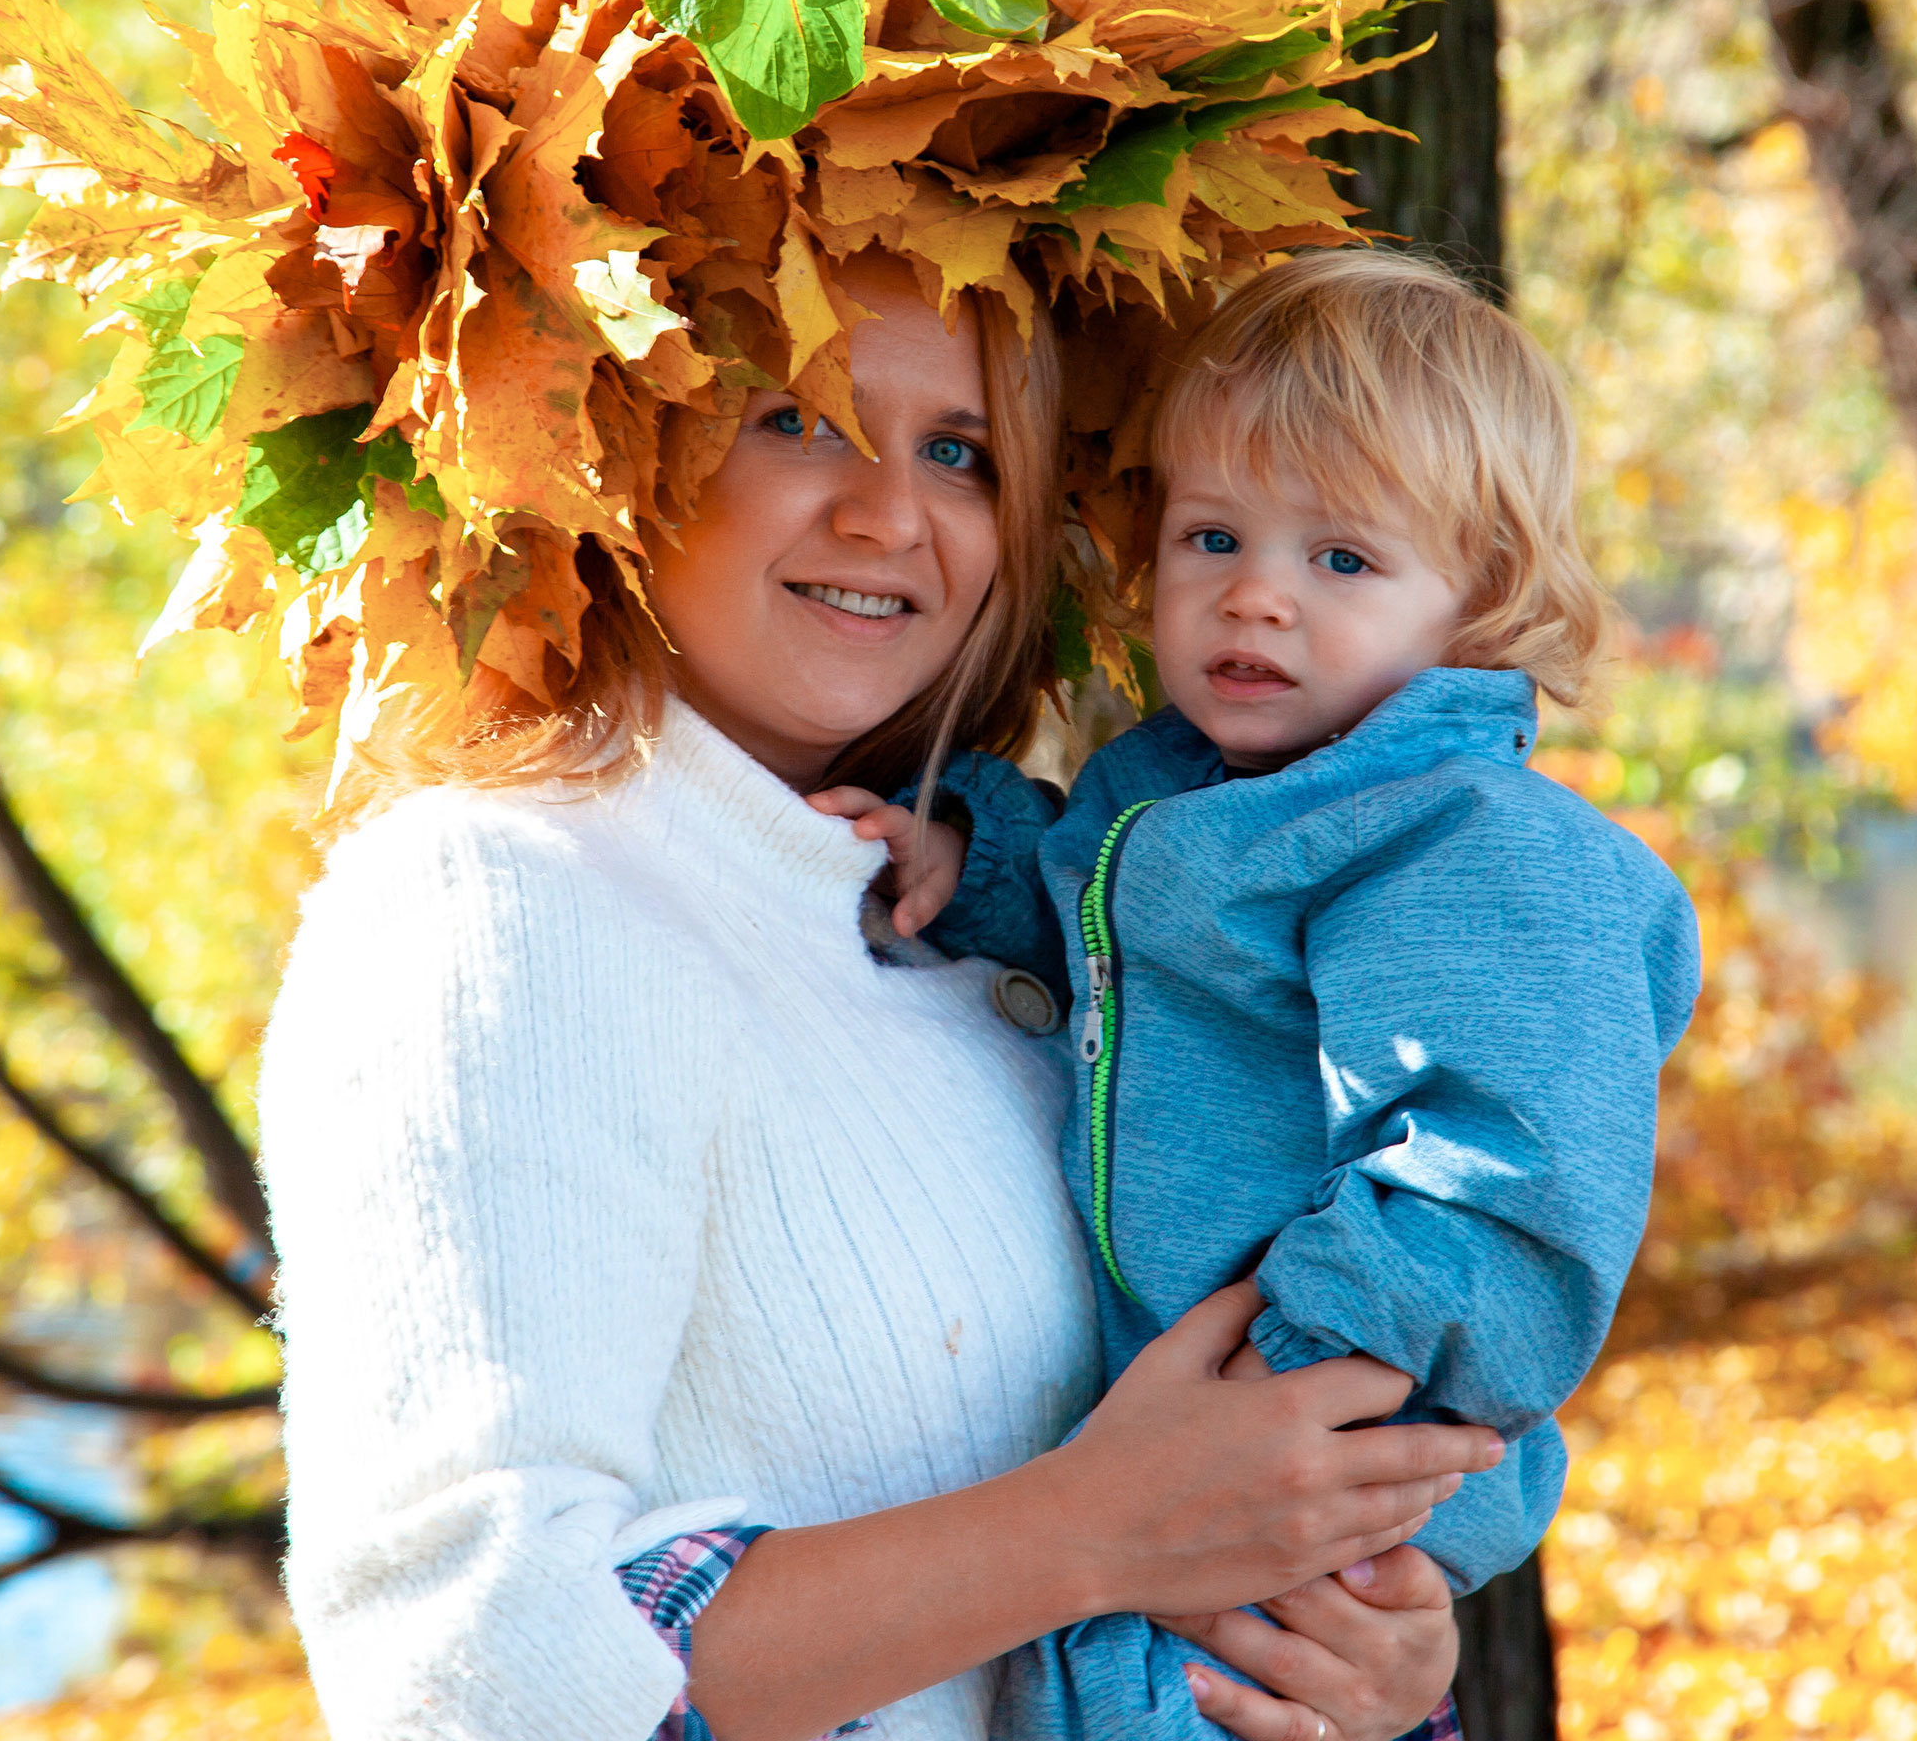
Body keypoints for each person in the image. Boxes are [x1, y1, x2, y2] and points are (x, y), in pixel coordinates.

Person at [257, 254, 1503, 1741]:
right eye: (798, 419)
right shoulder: (505, 892)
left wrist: (1366, 1671)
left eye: (961, 455)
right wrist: (1095, 1529)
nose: (890, 515)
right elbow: (473, 1666)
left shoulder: (988, 922)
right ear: (604, 437)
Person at [821, 251, 1702, 1741]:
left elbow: (1505, 1191)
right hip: (1187, 1473)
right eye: (1214, 536)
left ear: (1482, 602)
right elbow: (1111, 952)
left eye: (1341, 560)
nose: (1255, 595)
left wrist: (1274, 1391)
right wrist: (978, 863)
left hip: (1310, 1474)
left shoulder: (1465, 845)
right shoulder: (1185, 798)